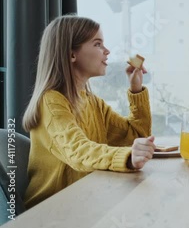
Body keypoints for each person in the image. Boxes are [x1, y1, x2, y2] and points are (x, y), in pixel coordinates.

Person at [22, 15, 156, 208]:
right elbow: (78, 151)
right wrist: (127, 157)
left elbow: (135, 136)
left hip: (87, 200)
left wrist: (136, 90)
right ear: (71, 55)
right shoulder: (51, 102)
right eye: (98, 44)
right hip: (53, 211)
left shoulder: (93, 102)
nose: (107, 51)